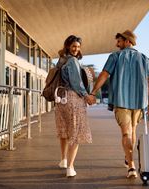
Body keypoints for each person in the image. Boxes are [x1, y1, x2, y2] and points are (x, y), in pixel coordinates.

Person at [89, 30, 149, 178]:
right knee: (132, 131)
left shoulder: (115, 57)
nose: (116, 44)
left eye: (119, 41)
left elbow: (104, 75)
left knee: (126, 133)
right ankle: (129, 158)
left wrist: (93, 92)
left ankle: (131, 165)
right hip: (139, 102)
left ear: (127, 41)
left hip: (121, 100)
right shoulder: (145, 59)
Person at [54, 35, 96, 177]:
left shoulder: (61, 60)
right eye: (73, 46)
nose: (76, 49)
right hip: (73, 99)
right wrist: (87, 96)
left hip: (61, 100)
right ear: (67, 45)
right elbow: (77, 83)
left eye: (78, 47)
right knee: (75, 133)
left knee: (64, 131)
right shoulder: (72, 61)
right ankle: (70, 167)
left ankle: (63, 160)